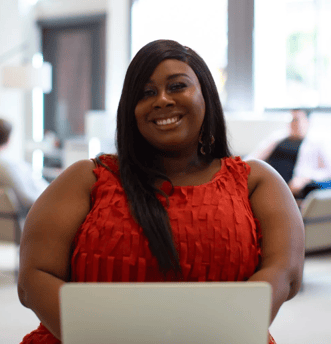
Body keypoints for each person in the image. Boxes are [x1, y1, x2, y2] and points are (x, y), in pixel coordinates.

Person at [18, 40, 305, 344]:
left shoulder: (255, 181)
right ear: (131, 110)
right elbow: (34, 277)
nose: (163, 100)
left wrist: (231, 328)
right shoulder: (86, 179)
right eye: (146, 93)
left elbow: (285, 271)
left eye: (177, 86)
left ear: (206, 95)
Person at [245, 109, 331, 200]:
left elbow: (328, 171)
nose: (293, 123)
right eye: (291, 120)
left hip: (290, 189)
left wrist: (305, 178)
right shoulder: (278, 138)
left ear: (307, 122)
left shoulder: (317, 143)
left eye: (296, 120)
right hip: (265, 182)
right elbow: (255, 157)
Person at [0, 119, 48, 217]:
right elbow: (27, 198)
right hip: (32, 215)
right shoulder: (9, 166)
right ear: (9, 139)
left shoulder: (10, 165)